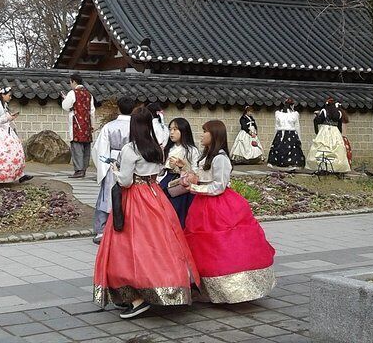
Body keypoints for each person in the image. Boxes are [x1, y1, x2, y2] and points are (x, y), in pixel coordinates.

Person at [93, 107, 200, 319]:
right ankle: (168, 288)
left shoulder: (130, 149)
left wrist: (115, 170)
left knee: (129, 246)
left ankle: (136, 296)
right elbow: (159, 172)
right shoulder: (157, 148)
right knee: (161, 243)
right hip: (155, 196)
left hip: (134, 198)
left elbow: (125, 181)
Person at [181, 120, 276, 303]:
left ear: (214, 135)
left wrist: (195, 188)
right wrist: (188, 174)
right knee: (205, 246)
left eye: (204, 132)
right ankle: (206, 287)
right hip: (203, 205)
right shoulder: (207, 156)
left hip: (219, 206)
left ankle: (231, 289)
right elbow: (203, 177)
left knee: (223, 245)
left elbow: (219, 186)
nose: (201, 135)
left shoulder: (221, 158)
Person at [90, 96, 135, 244]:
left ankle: (102, 230)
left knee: (108, 194)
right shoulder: (137, 126)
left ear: (118, 108)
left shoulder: (109, 126)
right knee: (129, 195)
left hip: (112, 160)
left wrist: (102, 167)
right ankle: (128, 229)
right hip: (132, 161)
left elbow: (99, 149)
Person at [159, 118, 201, 228]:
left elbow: (196, 172)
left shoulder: (191, 150)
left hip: (183, 184)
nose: (171, 132)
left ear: (184, 130)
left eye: (175, 129)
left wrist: (183, 167)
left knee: (179, 213)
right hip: (168, 181)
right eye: (170, 129)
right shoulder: (167, 148)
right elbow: (160, 170)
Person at [62, 74, 95, 178]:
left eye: (70, 82)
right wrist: (92, 125)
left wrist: (65, 99)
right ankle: (84, 169)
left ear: (74, 82)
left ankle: (78, 170)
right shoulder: (89, 94)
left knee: (77, 147)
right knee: (86, 147)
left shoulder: (73, 93)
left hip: (76, 123)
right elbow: (92, 111)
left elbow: (66, 106)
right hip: (87, 123)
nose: (70, 84)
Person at [305, 98, 351, 173]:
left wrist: (317, 116)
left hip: (325, 130)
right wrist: (339, 134)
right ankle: (337, 166)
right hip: (335, 131)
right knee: (336, 147)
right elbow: (339, 126)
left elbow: (319, 121)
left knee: (323, 146)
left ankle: (321, 165)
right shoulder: (339, 112)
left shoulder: (324, 111)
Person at [268, 98, 305, 168]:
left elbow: (276, 126)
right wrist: (299, 138)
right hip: (291, 134)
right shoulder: (295, 114)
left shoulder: (278, 114)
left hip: (280, 133)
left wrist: (275, 137)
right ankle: (292, 164)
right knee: (293, 150)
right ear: (292, 105)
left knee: (279, 148)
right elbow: (297, 127)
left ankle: (279, 163)